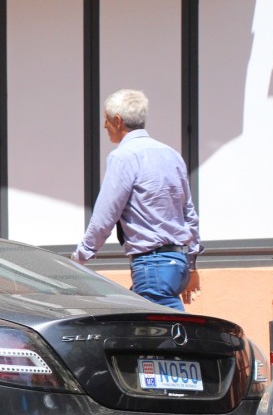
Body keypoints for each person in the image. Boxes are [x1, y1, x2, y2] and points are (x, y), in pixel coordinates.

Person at [72, 89, 202, 310]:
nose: (105, 126)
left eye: (106, 120)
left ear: (118, 120)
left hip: (152, 263)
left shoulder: (123, 157)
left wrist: (79, 258)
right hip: (176, 262)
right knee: (136, 324)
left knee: (165, 333)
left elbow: (106, 214)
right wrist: (190, 264)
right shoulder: (171, 154)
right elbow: (188, 212)